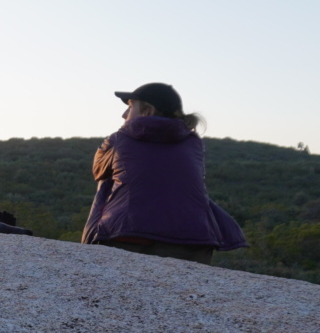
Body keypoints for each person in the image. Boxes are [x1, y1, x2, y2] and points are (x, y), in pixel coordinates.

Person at [81, 82, 246, 263]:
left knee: (109, 181)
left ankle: (89, 248)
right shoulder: (193, 142)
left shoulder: (120, 138)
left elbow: (98, 171)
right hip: (196, 241)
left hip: (130, 235)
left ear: (147, 111)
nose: (124, 115)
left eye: (130, 107)